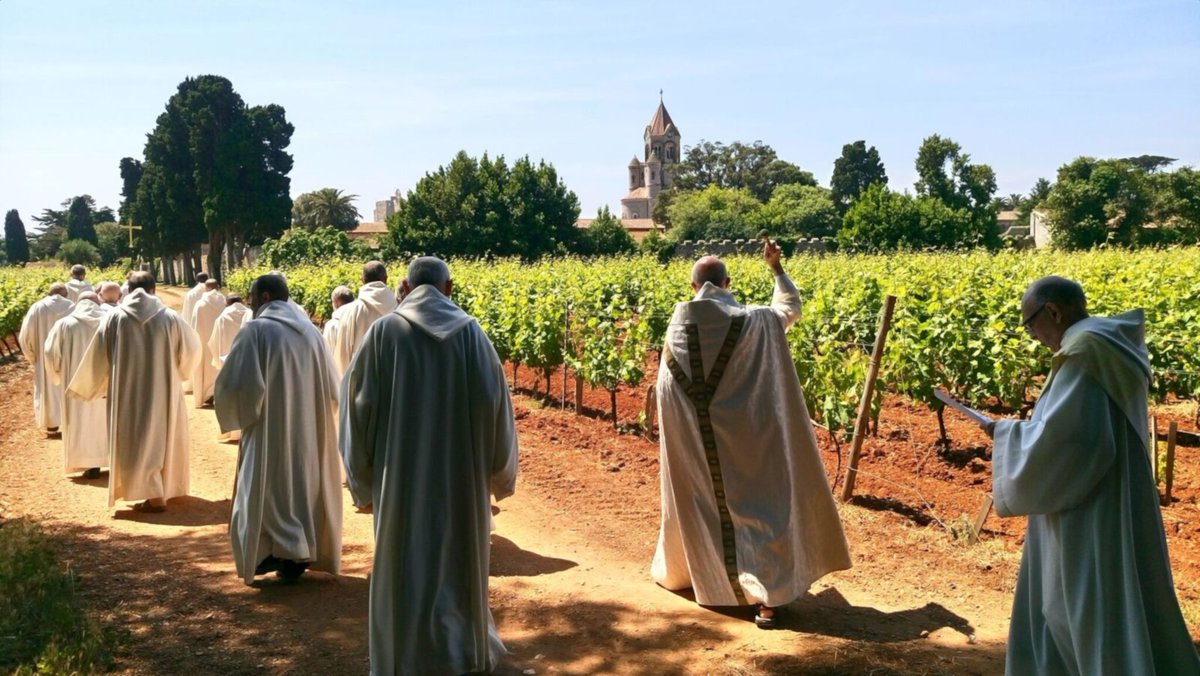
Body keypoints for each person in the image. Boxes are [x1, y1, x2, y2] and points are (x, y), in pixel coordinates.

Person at [982, 276, 1200, 675]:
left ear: (1053, 311)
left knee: (1082, 605)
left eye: (1030, 323)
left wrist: (1005, 433)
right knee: (1114, 595)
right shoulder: (1111, 344)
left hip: (1088, 505)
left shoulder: (1084, 352)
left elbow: (1072, 440)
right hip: (1116, 489)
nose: (1032, 335)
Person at [652, 243, 851, 629]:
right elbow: (789, 307)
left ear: (693, 287)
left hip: (695, 437)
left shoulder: (676, 327)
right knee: (759, 507)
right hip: (747, 436)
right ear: (727, 283)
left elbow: (668, 386)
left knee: (705, 501)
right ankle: (766, 599)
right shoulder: (754, 320)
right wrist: (776, 269)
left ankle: (701, 576)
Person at [340, 256, 518, 675]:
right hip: (461, 480)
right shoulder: (473, 335)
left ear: (403, 286)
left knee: (405, 562)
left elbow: (357, 409)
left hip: (399, 478)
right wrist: (498, 472)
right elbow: (497, 407)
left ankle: (407, 657)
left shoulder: (384, 333)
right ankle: (459, 653)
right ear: (449, 288)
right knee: (458, 564)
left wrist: (361, 477)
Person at [215, 275, 342, 584]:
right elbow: (333, 387)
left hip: (270, 429)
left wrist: (236, 410)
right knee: (301, 486)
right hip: (308, 431)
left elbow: (239, 386)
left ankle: (271, 552)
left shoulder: (256, 331)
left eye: (252, 297)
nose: (250, 303)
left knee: (269, 489)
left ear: (266, 296)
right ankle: (297, 552)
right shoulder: (312, 333)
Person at [68, 272, 199, 513]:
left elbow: (100, 353)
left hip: (126, 389)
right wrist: (178, 373)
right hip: (164, 389)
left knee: (132, 438)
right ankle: (158, 491)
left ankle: (146, 492)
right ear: (154, 289)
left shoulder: (115, 318)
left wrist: (99, 383)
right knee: (161, 437)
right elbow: (191, 351)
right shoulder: (170, 317)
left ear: (127, 288)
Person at [43, 292, 108, 479]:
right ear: (98, 302)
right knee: (105, 420)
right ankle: (108, 458)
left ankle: (86, 462)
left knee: (80, 421)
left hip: (73, 383)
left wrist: (57, 374)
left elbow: (49, 352)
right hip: (105, 383)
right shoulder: (110, 321)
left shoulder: (65, 324)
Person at [18, 283, 74, 435]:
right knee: (68, 387)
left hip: (43, 358)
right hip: (68, 357)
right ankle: (71, 423)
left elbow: (25, 336)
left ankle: (52, 426)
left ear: (49, 293)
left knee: (47, 390)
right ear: (66, 293)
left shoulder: (37, 308)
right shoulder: (73, 307)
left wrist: (33, 357)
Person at [328, 261, 397, 375]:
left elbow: (342, 359)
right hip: (392, 385)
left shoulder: (349, 312)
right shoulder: (399, 309)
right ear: (386, 279)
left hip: (360, 386)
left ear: (362, 280)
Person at [208, 294, 253, 443]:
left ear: (227, 304)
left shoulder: (222, 318)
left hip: (227, 361)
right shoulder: (250, 314)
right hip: (247, 363)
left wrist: (217, 361)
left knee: (231, 397)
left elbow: (213, 342)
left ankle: (233, 432)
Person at [189, 278, 225, 408]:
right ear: (218, 287)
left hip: (203, 341)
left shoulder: (200, 305)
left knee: (205, 366)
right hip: (221, 344)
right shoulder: (224, 302)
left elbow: (194, 327)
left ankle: (205, 395)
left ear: (206, 288)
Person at [180, 271, 209, 394]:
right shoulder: (213, 293)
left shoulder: (191, 294)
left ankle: (195, 384)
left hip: (194, 328)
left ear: (196, 280)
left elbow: (186, 313)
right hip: (210, 329)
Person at [321, 286, 355, 377]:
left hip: (338, 377)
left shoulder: (331, 325)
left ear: (336, 303)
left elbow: (326, 356)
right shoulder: (359, 319)